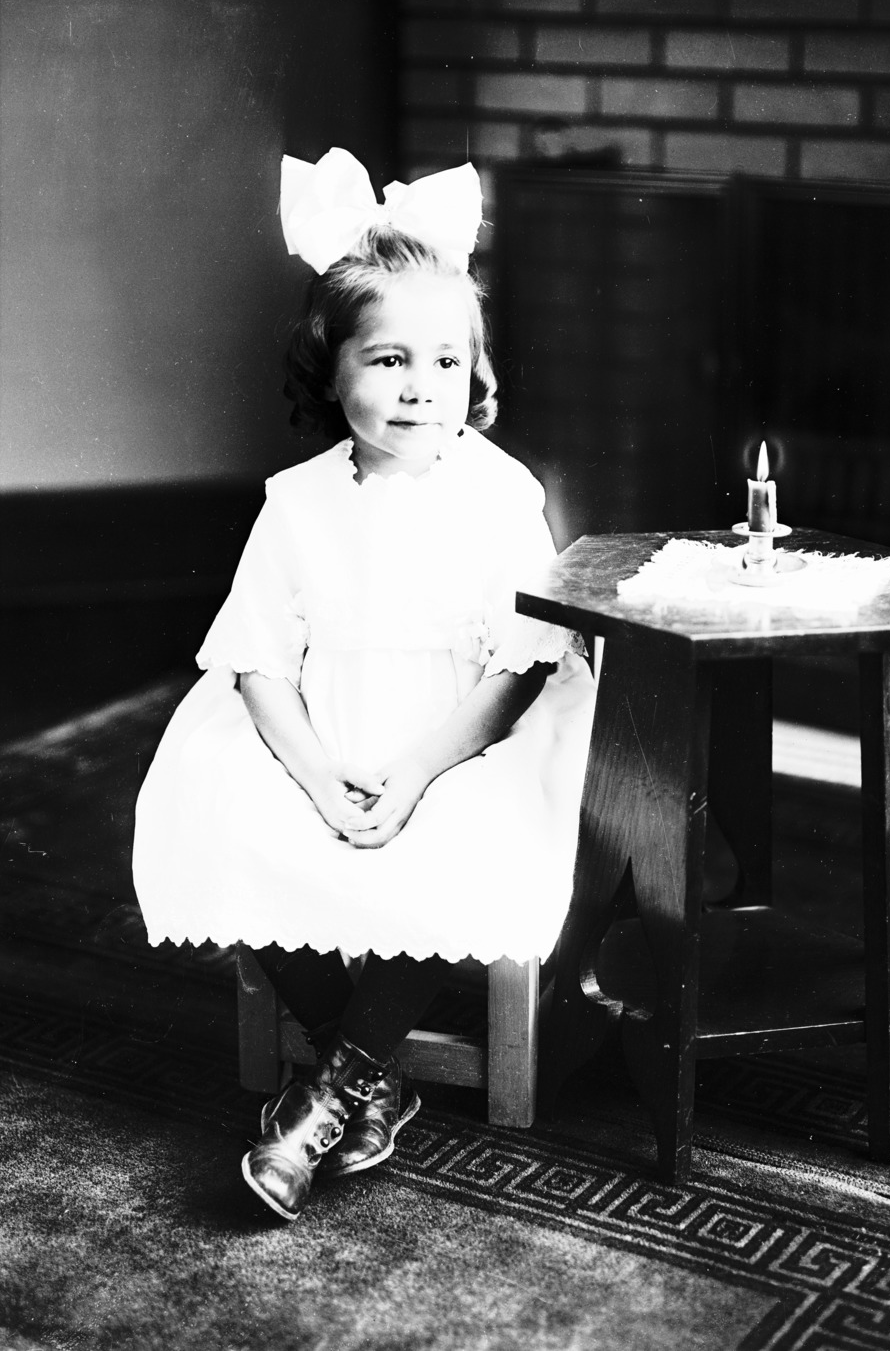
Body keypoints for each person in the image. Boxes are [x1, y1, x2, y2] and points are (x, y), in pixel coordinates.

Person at [132, 148, 595, 1222]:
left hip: (464, 733)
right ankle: (368, 1070)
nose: (421, 386)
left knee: (454, 837)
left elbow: (518, 666)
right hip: (320, 726)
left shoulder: (499, 496)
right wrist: (312, 773)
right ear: (328, 367)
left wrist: (417, 770)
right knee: (220, 808)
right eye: (388, 359)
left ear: (474, 371)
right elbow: (256, 659)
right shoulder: (296, 504)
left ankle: (329, 1093)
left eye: (445, 360)